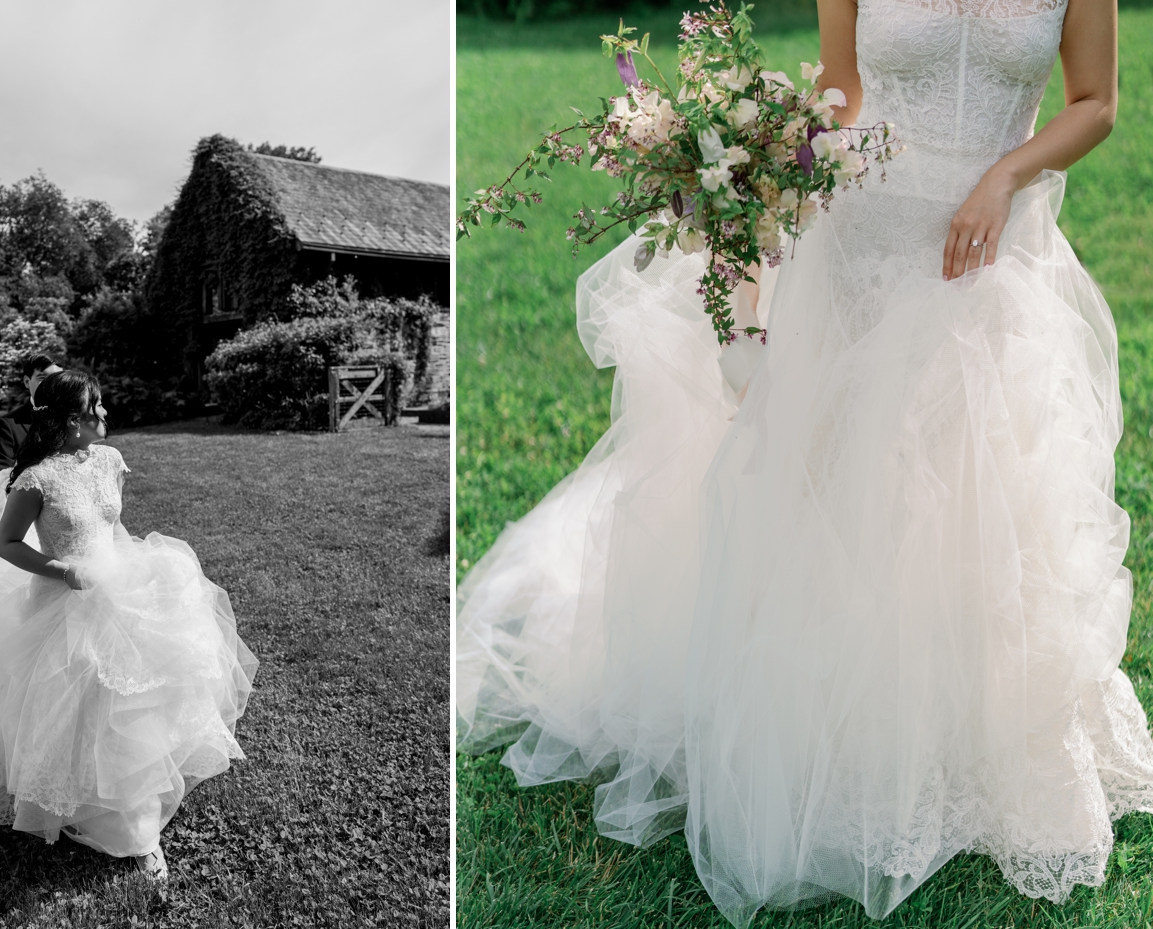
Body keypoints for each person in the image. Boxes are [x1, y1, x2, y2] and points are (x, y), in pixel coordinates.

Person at [456, 0, 1153, 924]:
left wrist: (1006, 176)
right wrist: (745, 193)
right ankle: (826, 732)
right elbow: (842, 92)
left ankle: (960, 740)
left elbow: (1096, 101)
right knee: (830, 492)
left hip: (986, 252)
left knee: (974, 494)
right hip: (855, 244)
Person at [0, 370, 258, 879]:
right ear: (68, 421)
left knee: (132, 706)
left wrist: (138, 564)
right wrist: (61, 570)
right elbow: (7, 544)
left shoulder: (109, 459)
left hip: (118, 586)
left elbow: (111, 524)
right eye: (94, 408)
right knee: (79, 705)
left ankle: (136, 818)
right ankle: (109, 819)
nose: (104, 415)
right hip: (64, 602)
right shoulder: (36, 479)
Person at [0, 354, 63, 478]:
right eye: (42, 378)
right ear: (27, 382)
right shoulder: (9, 426)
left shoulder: (73, 416)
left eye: (57, 378)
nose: (52, 385)